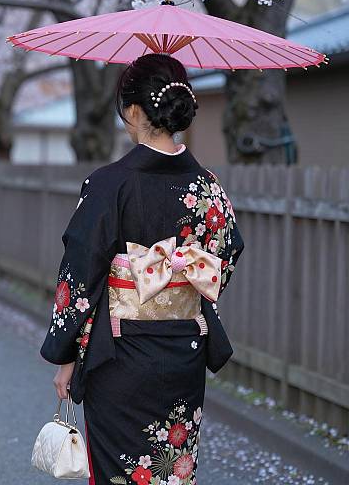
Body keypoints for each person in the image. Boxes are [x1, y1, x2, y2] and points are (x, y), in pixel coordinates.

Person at [39, 53, 245, 484]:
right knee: (172, 469)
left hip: (121, 355)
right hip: (185, 349)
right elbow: (225, 256)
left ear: (133, 111)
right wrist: (182, 276)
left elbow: (80, 272)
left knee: (122, 471)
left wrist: (65, 356)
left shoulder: (108, 183)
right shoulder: (207, 185)